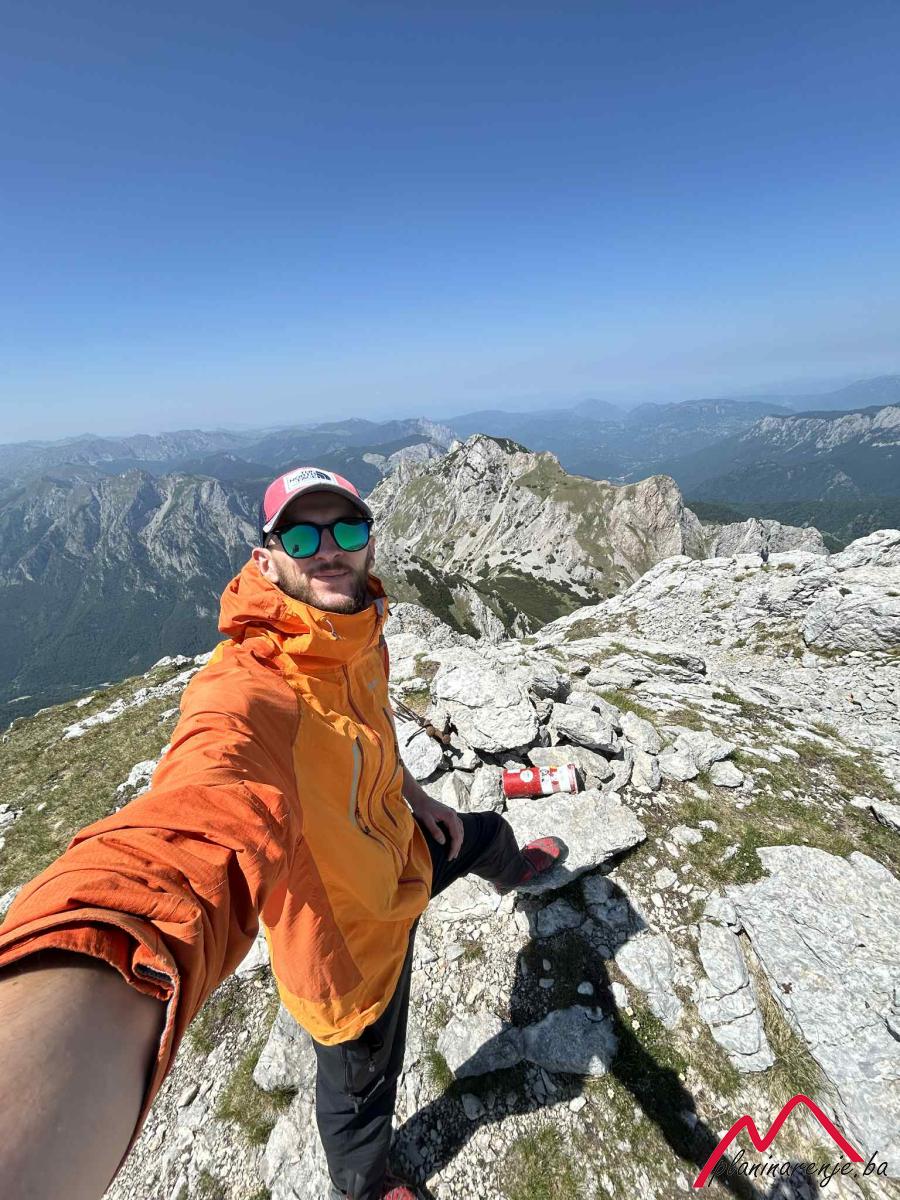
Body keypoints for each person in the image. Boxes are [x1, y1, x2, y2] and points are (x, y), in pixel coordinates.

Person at [0, 465, 561, 1200]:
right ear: (266, 561)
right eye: (301, 536)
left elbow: (369, 729)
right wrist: (99, 946)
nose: (327, 549)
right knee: (361, 1088)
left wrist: (418, 796)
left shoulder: (356, 631)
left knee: (483, 833)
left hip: (401, 849)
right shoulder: (252, 686)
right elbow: (200, 799)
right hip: (346, 941)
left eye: (346, 529)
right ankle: (364, 1186)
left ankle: (515, 872)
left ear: (368, 544)